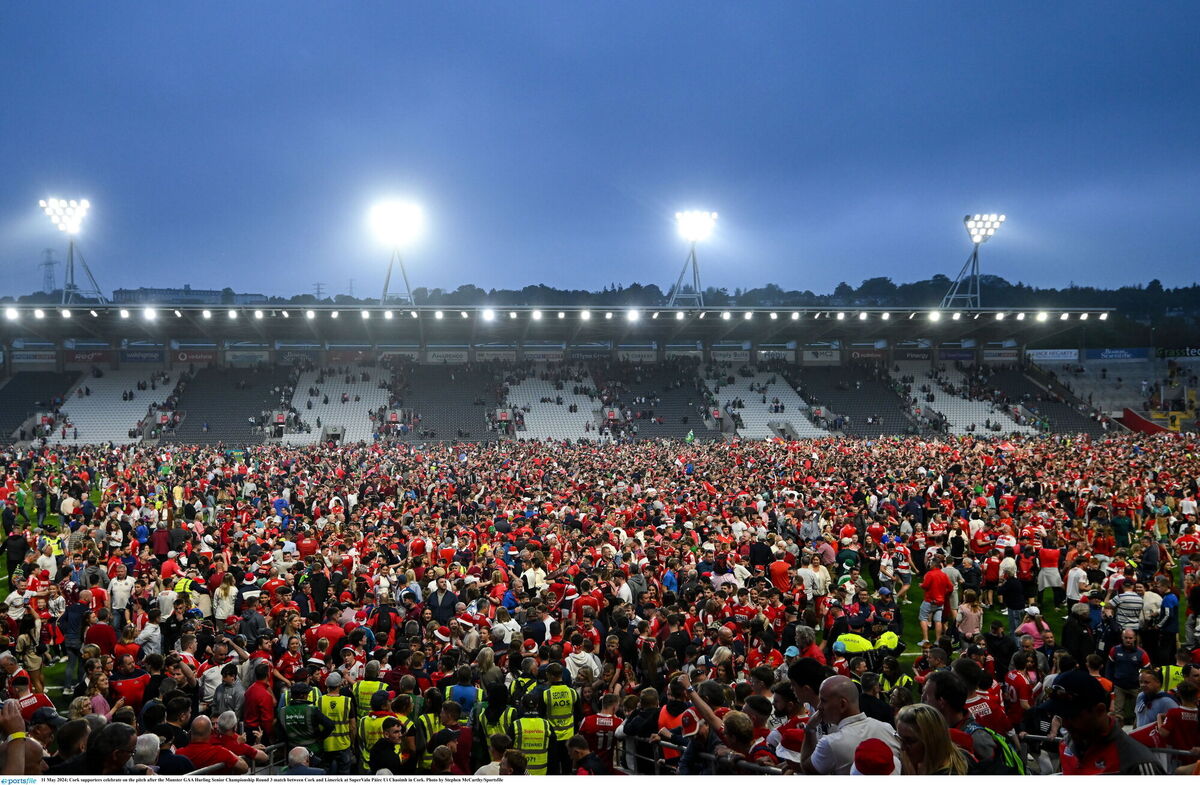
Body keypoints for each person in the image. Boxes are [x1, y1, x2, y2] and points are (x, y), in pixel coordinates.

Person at [1041, 670, 1163, 774]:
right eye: (1062, 717)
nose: (1066, 725)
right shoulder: (1066, 745)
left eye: (1072, 717)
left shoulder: (1136, 762)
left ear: (1099, 711)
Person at [798, 675, 901, 775]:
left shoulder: (830, 743)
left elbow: (807, 769)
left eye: (823, 701)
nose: (819, 706)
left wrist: (809, 729)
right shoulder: (887, 729)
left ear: (842, 704)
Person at [896, 702, 969, 775]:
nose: (902, 747)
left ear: (932, 740)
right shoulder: (955, 754)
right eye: (899, 738)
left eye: (910, 741)